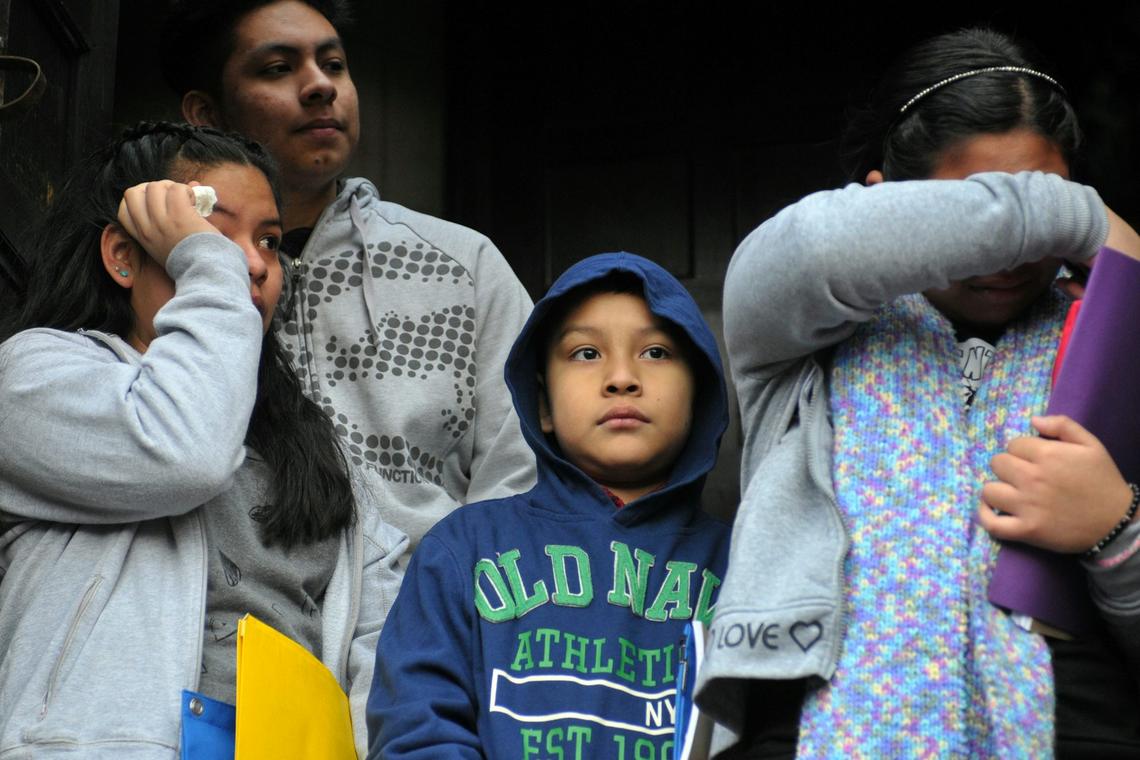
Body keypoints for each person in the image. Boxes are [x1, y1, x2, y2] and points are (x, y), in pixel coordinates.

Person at [694, 28, 1140, 759]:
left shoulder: (1113, 340)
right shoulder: (798, 331)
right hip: (808, 731)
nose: (1015, 252)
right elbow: (816, 245)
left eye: (1048, 199)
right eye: (983, 211)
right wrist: (1082, 215)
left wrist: (1115, 530)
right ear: (883, 202)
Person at [0, 122, 406, 758]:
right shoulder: (34, 374)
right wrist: (206, 268)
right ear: (123, 256)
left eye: (270, 242)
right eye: (212, 231)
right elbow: (184, 453)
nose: (251, 263)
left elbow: (382, 647)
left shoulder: (315, 450)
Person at [158, 0, 535, 550]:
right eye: (278, 68)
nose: (320, 86)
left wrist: (464, 604)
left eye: (333, 64)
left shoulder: (464, 263)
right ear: (206, 114)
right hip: (234, 609)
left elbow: (520, 470)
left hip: (426, 612)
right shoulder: (162, 268)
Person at [366, 252, 732, 758]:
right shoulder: (465, 550)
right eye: (586, 353)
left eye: (656, 352)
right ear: (542, 405)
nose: (621, 377)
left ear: (700, 394)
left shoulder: (745, 569)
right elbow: (418, 728)